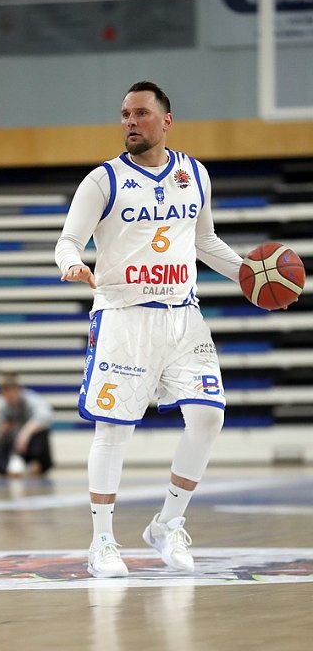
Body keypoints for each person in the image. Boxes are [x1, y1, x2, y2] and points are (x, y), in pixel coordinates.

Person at [55, 81, 243, 578]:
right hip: (123, 316)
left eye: (140, 113)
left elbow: (206, 241)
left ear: (167, 120)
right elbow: (68, 240)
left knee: (208, 418)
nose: (130, 122)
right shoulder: (102, 180)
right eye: (125, 114)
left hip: (183, 315)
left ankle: (167, 524)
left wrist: (248, 274)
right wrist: (71, 263)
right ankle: (101, 541)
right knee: (114, 429)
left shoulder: (194, 174)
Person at [0, 374, 54, 477]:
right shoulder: (2, 408)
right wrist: (2, 431)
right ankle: (10, 468)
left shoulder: (30, 399)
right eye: (7, 392)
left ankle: (33, 464)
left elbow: (46, 415)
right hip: (11, 449)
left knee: (42, 431)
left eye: (13, 391)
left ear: (19, 390)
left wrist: (25, 434)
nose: (11, 396)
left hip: (29, 447)